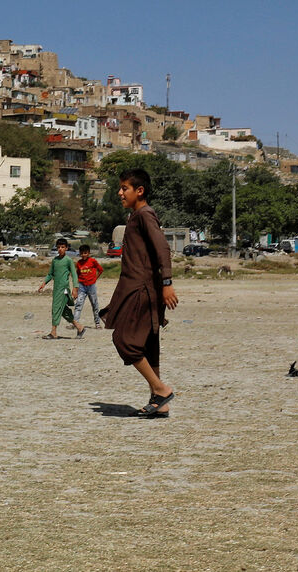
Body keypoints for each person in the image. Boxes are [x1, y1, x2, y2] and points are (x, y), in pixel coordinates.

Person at [101, 168, 178, 417]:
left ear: (140, 191)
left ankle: (161, 390)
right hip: (140, 288)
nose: (120, 193)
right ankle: (159, 402)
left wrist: (167, 282)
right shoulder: (136, 216)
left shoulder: (145, 215)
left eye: (125, 188)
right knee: (148, 345)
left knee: (124, 340)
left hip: (142, 290)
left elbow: (162, 248)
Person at [38, 238, 86, 339]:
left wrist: (75, 288)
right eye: (58, 247)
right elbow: (50, 274)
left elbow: (74, 275)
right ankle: (79, 327)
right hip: (56, 289)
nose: (60, 249)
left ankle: (53, 332)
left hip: (64, 290)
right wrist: (44, 283)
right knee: (63, 310)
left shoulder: (68, 260)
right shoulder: (55, 260)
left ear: (66, 248)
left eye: (63, 247)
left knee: (56, 308)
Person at [74, 244, 104, 328]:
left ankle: (97, 323)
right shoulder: (79, 263)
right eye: (82, 253)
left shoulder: (93, 261)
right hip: (81, 286)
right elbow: (77, 274)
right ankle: (75, 323)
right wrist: (76, 286)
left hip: (91, 286)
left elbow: (100, 270)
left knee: (94, 304)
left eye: (85, 253)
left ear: (88, 253)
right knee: (78, 304)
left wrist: (95, 279)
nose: (83, 255)